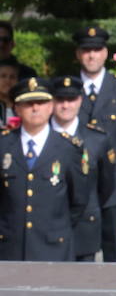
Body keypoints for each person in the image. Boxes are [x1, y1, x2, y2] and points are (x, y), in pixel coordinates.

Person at [0, 77, 91, 261]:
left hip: (53, 247)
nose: (35, 108)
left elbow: (78, 200)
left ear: (51, 106)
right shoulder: (3, 145)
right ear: (16, 108)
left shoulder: (68, 149)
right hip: (10, 247)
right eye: (28, 103)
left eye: (41, 103)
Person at [74, 25, 116, 263]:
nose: (91, 55)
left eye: (96, 49)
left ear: (105, 53)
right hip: (78, 177)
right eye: (86, 50)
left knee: (115, 246)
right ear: (78, 54)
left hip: (115, 177)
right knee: (80, 247)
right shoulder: (68, 88)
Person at [49, 75, 116, 261]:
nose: (65, 105)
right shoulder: (39, 137)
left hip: (83, 227)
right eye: (60, 99)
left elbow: (106, 185)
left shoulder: (97, 139)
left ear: (80, 100)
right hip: (43, 230)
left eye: (71, 99)